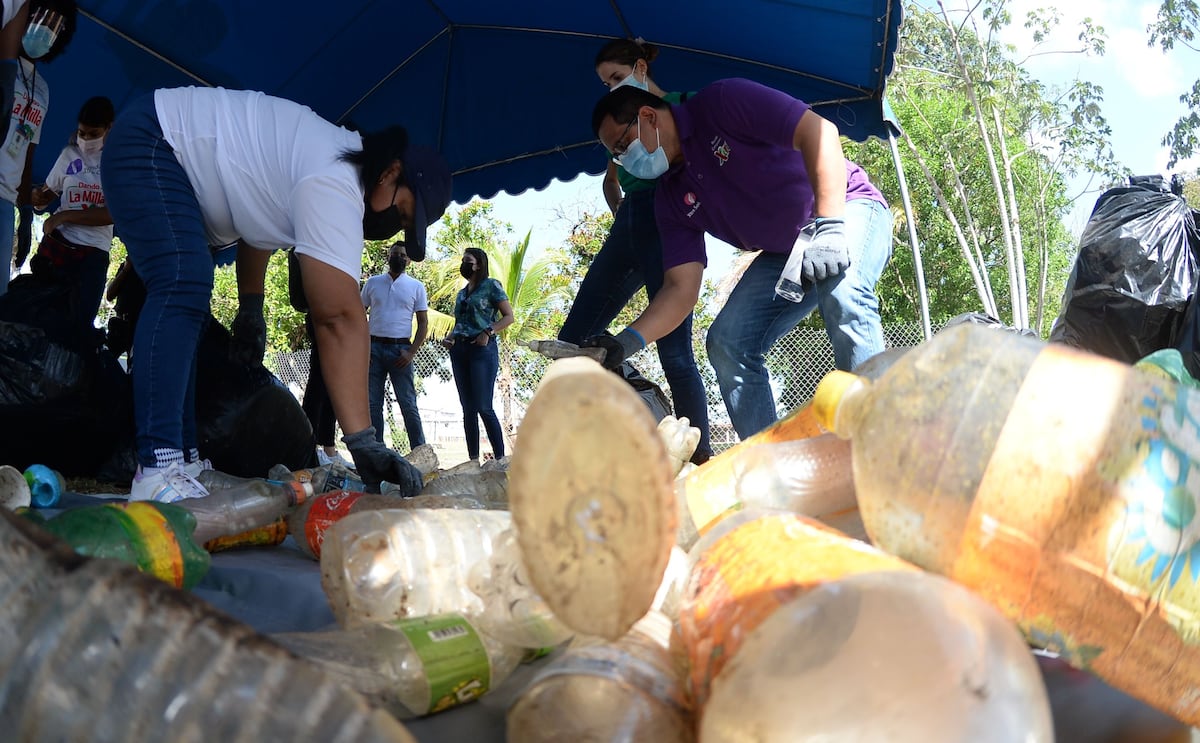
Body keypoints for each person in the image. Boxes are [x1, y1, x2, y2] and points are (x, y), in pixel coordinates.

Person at [100, 86, 452, 502]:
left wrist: (251, 302)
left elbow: (258, 224)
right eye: (403, 210)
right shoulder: (335, 178)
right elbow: (338, 317)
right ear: (391, 172)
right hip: (153, 139)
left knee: (190, 299)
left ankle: (183, 459)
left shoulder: (324, 165)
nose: (393, 224)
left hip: (160, 143)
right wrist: (363, 440)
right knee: (183, 280)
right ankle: (158, 466)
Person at [585, 81, 892, 441]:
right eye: (617, 156)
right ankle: (774, 469)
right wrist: (625, 343)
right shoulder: (669, 198)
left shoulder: (721, 103)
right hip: (785, 252)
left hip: (846, 207)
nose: (625, 162)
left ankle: (878, 439)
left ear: (648, 116)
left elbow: (819, 131)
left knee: (843, 291)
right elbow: (680, 290)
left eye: (623, 146)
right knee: (727, 342)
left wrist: (828, 224)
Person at [559, 38, 712, 463]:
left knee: (675, 351)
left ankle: (699, 457)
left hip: (672, 225)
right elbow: (611, 179)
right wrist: (621, 212)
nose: (610, 87)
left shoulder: (684, 106)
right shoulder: (616, 123)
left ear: (640, 68)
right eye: (605, 82)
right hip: (629, 224)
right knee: (572, 341)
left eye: (615, 77)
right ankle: (589, 447)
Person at [0, 0, 74, 296]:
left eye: (55, 26)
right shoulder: (3, 62)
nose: (46, 31)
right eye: (42, 20)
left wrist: (27, 210)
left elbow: (28, 153)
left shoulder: (42, 89)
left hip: (6, 199)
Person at [28, 95, 114, 327]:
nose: (86, 139)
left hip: (92, 255)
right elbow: (47, 195)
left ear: (109, 128)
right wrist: (38, 198)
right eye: (81, 133)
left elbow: (113, 213)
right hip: (58, 246)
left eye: (93, 134)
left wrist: (64, 216)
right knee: (38, 319)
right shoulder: (69, 154)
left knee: (76, 328)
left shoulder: (117, 162)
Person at [441, 247, 513, 462]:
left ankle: (500, 460)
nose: (464, 264)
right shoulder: (462, 292)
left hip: (482, 350)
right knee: (468, 409)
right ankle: (473, 460)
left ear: (479, 264)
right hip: (460, 350)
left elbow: (509, 317)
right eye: (463, 260)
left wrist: (488, 332)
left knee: (484, 406)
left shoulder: (491, 286)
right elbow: (460, 323)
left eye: (468, 260)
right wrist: (450, 337)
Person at [287, 247, 353, 469]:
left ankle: (328, 447)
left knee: (330, 385)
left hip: (335, 316)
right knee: (319, 384)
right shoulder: (304, 248)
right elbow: (298, 298)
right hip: (320, 315)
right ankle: (311, 445)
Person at [361, 240, 428, 452]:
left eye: (402, 255)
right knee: (373, 406)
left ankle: (420, 451)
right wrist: (364, 349)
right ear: (388, 256)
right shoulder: (372, 283)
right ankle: (377, 452)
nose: (398, 257)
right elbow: (358, 315)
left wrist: (411, 353)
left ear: (409, 260)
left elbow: (424, 323)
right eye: (395, 253)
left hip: (401, 351)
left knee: (408, 404)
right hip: (373, 349)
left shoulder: (416, 287)